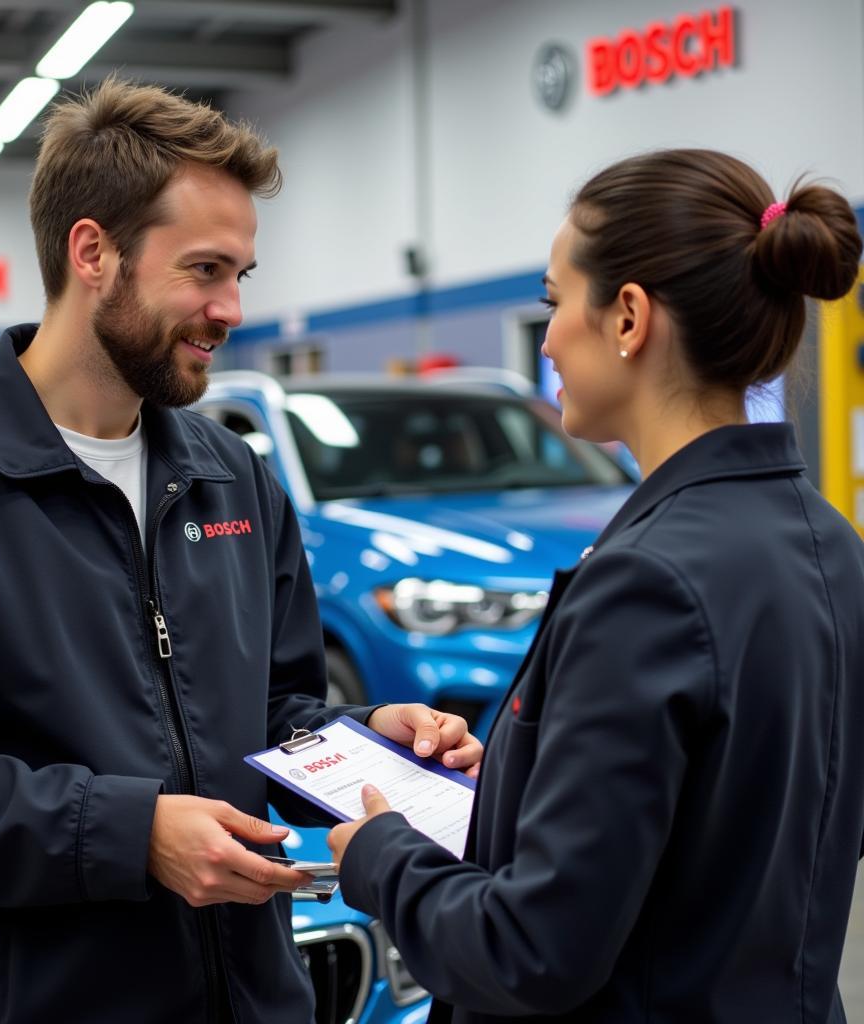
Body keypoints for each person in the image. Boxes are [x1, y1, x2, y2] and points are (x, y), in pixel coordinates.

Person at [0, 78, 481, 1024]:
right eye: (204, 270)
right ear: (93, 252)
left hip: (252, 998)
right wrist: (129, 834)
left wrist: (363, 740)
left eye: (240, 277)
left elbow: (272, 712)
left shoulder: (233, 477)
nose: (230, 309)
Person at [328, 149, 864, 1023]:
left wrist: (383, 856)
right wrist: (520, 781)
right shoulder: (833, 544)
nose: (545, 340)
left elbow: (532, 951)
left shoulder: (646, 582)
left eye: (553, 301)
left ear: (628, 318)